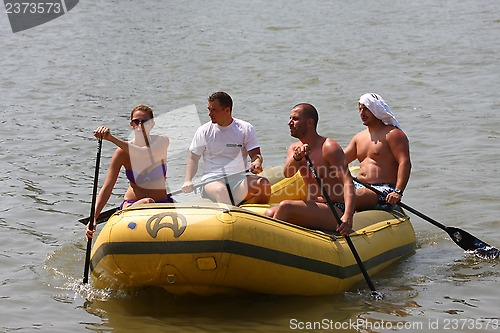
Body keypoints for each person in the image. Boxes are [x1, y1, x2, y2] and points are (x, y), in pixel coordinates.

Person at [264, 103, 355, 236]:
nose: (289, 123)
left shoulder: (328, 147)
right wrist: (297, 157)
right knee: (269, 213)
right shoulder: (294, 148)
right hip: (312, 205)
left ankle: (269, 242)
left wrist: (348, 216)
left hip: (334, 208)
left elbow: (348, 182)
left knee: (285, 207)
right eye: (290, 118)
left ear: (309, 122)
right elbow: (288, 173)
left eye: (295, 119)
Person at [86, 104, 173, 239]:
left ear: (152, 124)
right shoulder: (121, 154)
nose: (139, 125)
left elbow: (143, 154)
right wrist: (94, 217)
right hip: (133, 205)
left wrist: (111, 138)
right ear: (131, 124)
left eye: (144, 122)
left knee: (151, 203)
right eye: (135, 121)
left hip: (161, 203)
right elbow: (107, 188)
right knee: (147, 202)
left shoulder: (161, 141)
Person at [182, 91, 271, 205]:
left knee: (263, 184)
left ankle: (259, 217)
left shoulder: (245, 128)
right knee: (221, 190)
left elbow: (255, 155)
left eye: (214, 110)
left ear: (227, 110)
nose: (210, 114)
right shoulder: (203, 131)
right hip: (212, 180)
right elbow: (193, 159)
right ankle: (231, 218)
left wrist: (257, 162)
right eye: (209, 109)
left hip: (238, 180)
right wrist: (188, 180)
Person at [344, 93, 411, 211]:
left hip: (382, 190)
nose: (362, 113)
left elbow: (404, 163)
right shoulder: (359, 137)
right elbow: (339, 161)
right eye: (360, 109)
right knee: (326, 192)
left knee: (343, 197)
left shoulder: (393, 134)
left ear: (376, 109)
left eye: (366, 109)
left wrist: (398, 192)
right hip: (359, 186)